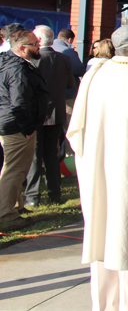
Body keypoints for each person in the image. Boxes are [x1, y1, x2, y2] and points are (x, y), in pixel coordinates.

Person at [67, 23, 128, 311]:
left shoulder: (93, 77)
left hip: (96, 174)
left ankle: (104, 307)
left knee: (104, 244)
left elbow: (75, 133)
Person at [25, 26, 74, 207]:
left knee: (36, 156)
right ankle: (54, 193)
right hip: (56, 113)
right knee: (52, 155)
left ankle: (32, 197)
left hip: (38, 113)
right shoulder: (63, 58)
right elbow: (70, 83)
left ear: (38, 40)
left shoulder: (33, 60)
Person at [0, 28, 45, 226]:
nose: (38, 46)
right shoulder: (17, 69)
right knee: (15, 170)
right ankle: (6, 214)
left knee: (16, 169)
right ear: (22, 48)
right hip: (16, 126)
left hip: (11, 123)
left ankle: (15, 207)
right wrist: (27, 129)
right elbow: (19, 102)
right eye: (34, 44)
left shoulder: (11, 63)